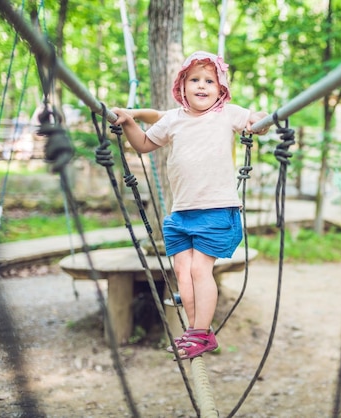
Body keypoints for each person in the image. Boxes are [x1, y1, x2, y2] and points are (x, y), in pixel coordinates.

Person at [112, 51, 268, 360]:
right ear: (181, 87)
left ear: (220, 89)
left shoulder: (228, 114)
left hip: (216, 208)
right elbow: (143, 144)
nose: (201, 85)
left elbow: (256, 122)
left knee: (199, 269)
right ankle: (198, 332)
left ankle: (201, 332)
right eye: (194, 79)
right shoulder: (172, 119)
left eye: (209, 80)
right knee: (182, 273)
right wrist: (129, 121)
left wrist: (260, 124)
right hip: (180, 213)